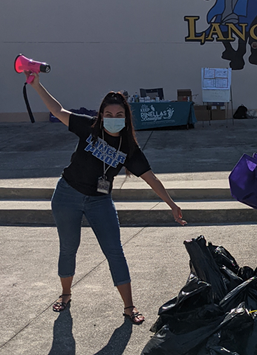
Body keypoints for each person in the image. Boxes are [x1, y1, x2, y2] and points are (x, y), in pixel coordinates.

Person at [24, 70, 187, 325]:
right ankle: (65, 294)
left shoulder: (129, 148)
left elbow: (151, 178)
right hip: (67, 195)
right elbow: (58, 111)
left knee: (115, 251)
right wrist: (36, 85)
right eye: (108, 115)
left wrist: (172, 204)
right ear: (101, 116)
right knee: (68, 248)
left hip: (100, 201)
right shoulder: (89, 127)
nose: (113, 119)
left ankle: (129, 307)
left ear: (126, 118)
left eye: (119, 115)